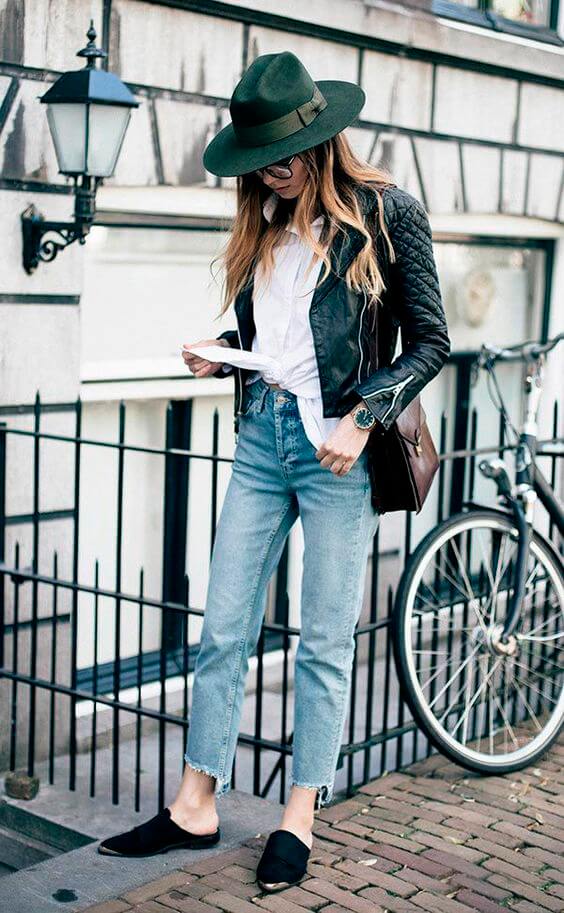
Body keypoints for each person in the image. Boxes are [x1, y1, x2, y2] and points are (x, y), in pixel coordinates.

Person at [98, 50, 450, 892]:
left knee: (324, 640)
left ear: (319, 140)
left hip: (339, 454)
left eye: (281, 157)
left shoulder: (388, 213)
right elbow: (286, 347)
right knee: (223, 625)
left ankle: (299, 816)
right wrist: (228, 354)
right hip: (264, 439)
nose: (271, 173)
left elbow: (432, 341)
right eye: (258, 160)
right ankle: (195, 803)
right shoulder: (264, 217)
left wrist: (364, 417)